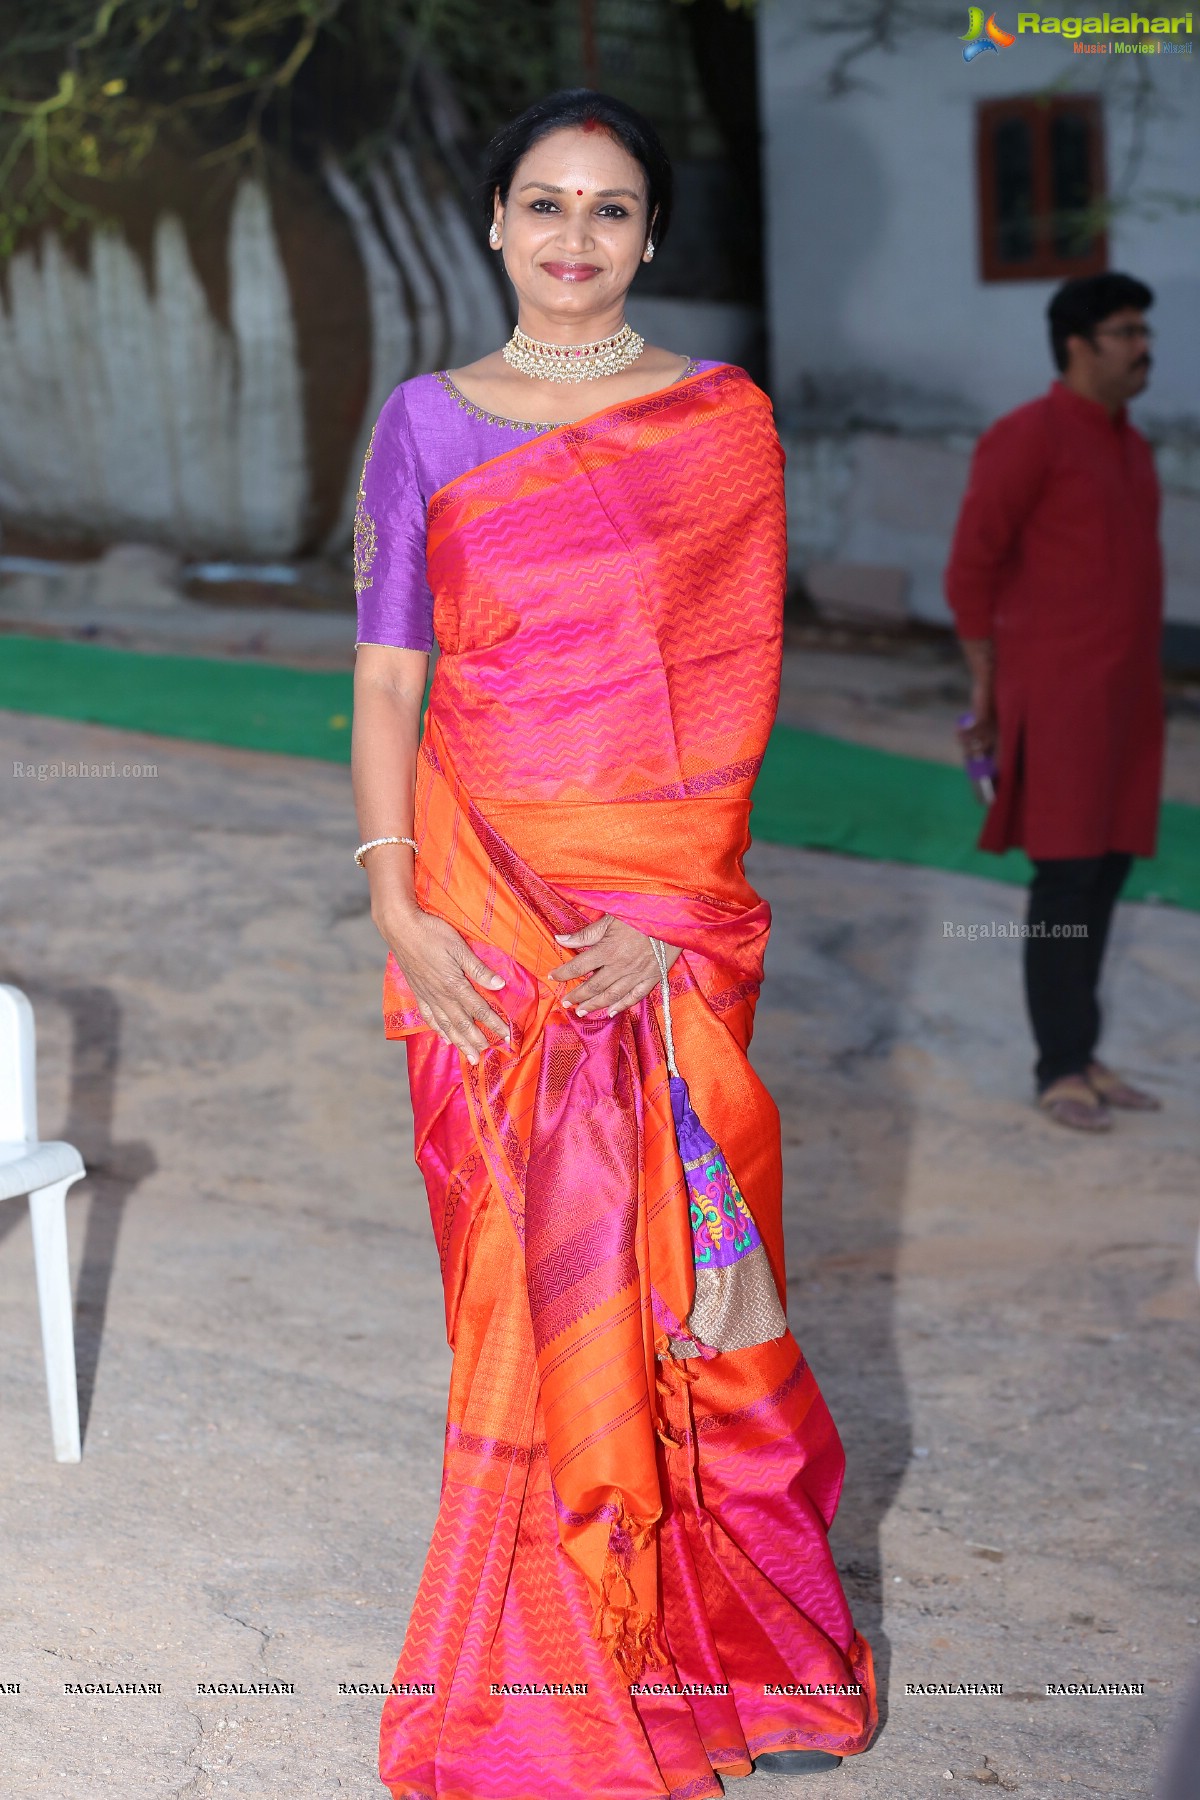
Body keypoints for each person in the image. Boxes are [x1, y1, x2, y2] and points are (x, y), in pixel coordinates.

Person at [350, 90, 876, 1800]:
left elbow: (729, 691)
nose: (576, 236)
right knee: (522, 1284)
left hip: (654, 933)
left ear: (651, 236)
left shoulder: (717, 424)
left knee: (709, 1298)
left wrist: (665, 914)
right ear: (494, 224)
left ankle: (743, 1659)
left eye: (612, 208)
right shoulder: (423, 423)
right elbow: (385, 681)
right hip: (480, 923)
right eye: (545, 203)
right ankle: (568, 1669)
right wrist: (398, 903)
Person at [945, 272, 1165, 1132]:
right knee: (1066, 883)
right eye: (1126, 332)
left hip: (1128, 707)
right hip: (1060, 703)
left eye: (1144, 330)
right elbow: (970, 571)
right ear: (1078, 344)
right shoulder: (1025, 438)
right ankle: (1059, 1067)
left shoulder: (1131, 446)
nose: (1144, 347)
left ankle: (1084, 1049)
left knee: (1107, 874)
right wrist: (984, 692)